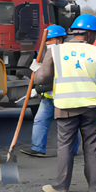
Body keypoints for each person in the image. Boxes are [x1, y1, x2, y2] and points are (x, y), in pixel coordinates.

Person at [33, 14, 96, 192]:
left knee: (65, 146)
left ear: (74, 32)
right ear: (90, 34)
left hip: (65, 105)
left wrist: (35, 74)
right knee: (92, 146)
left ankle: (61, 187)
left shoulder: (55, 51)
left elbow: (43, 78)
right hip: (91, 107)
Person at [21, 24, 68, 158]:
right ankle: (37, 148)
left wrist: (38, 89)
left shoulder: (65, 54)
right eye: (46, 40)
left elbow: (57, 76)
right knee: (40, 120)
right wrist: (38, 69)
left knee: (67, 125)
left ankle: (71, 149)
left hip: (63, 96)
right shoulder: (44, 53)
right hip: (48, 97)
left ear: (59, 40)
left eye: (50, 40)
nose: (47, 43)